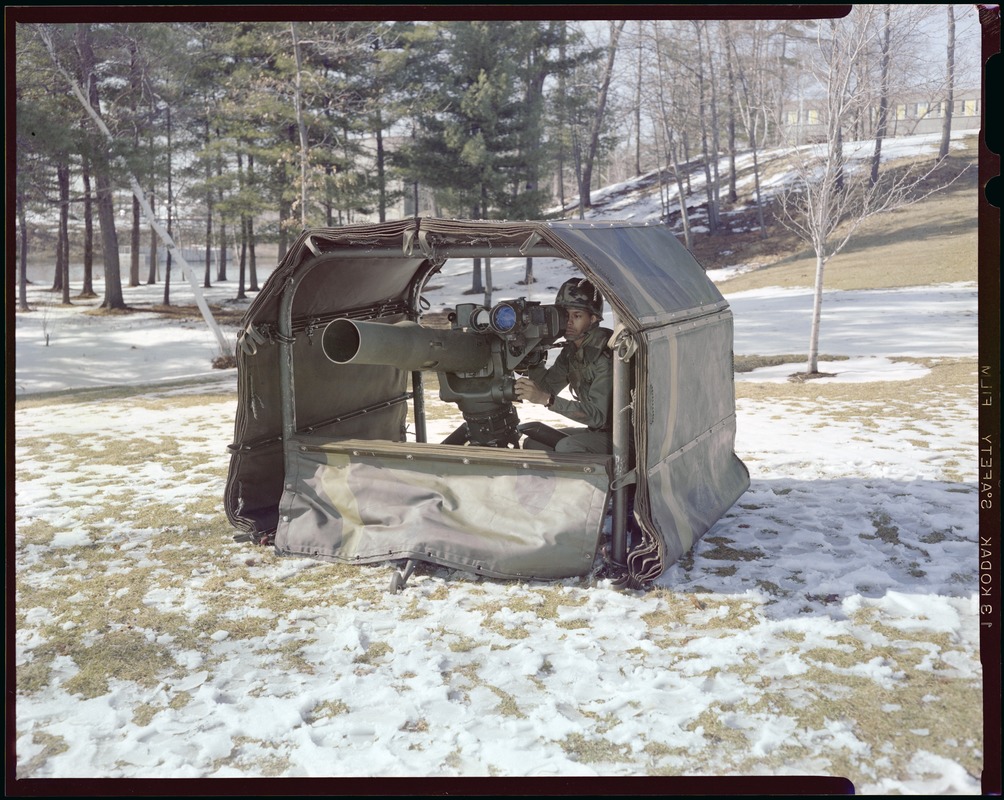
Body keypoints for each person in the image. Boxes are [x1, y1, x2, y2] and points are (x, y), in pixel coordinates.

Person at [514, 278, 613, 454]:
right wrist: (534, 355)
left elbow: (598, 417)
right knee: (533, 443)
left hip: (623, 438)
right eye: (565, 315)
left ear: (593, 318)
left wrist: (547, 400)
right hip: (597, 432)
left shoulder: (604, 355)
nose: (568, 322)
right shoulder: (571, 352)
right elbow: (546, 387)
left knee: (567, 447)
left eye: (577, 316)